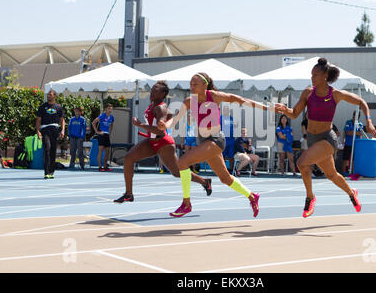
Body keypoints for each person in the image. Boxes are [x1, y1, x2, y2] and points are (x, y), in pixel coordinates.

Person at [275, 58, 376, 218]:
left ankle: (310, 197)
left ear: (325, 76)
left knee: (302, 163)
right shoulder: (308, 93)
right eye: (311, 75)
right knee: (331, 175)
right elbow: (294, 114)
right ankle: (352, 193)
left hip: (327, 139)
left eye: (315, 75)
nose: (312, 78)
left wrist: (369, 123)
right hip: (312, 139)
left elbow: (361, 102)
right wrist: (284, 110)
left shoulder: (336, 94)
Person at [158, 72, 266, 218]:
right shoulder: (190, 101)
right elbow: (175, 119)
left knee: (183, 162)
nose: (191, 87)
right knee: (225, 178)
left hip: (216, 140)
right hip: (204, 141)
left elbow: (239, 99)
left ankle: (186, 204)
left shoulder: (215, 96)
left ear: (204, 85)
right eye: (190, 84)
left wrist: (264, 107)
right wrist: (165, 125)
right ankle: (252, 196)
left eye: (195, 84)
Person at [114, 81, 212, 203]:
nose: (152, 92)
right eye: (152, 89)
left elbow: (159, 131)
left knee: (177, 173)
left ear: (163, 94)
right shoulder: (153, 105)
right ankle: (129, 194)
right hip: (150, 142)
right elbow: (168, 116)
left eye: (155, 90)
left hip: (164, 144)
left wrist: (140, 124)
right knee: (128, 158)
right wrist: (167, 120)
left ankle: (205, 182)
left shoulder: (160, 107)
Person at [36, 89, 65, 179]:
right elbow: (38, 120)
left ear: (54, 96)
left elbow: (62, 120)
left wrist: (63, 130)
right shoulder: (42, 107)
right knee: (47, 149)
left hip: (55, 131)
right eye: (48, 94)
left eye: (50, 94)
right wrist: (38, 130)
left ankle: (51, 172)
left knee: (53, 151)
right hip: (45, 130)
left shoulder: (58, 107)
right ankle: (46, 172)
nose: (48, 96)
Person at [92, 104, 114, 172]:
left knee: (107, 151)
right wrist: (97, 131)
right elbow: (93, 123)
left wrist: (109, 132)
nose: (110, 110)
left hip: (107, 135)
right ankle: (99, 167)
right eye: (108, 108)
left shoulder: (112, 117)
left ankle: (105, 166)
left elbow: (112, 125)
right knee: (101, 150)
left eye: (111, 108)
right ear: (105, 109)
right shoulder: (102, 115)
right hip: (101, 134)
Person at [341, 111, 363, 176]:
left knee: (354, 159)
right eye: (354, 115)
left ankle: (353, 172)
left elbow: (361, 133)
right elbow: (347, 132)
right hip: (348, 143)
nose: (354, 117)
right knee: (346, 158)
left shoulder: (360, 124)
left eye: (356, 116)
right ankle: (344, 172)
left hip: (356, 144)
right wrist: (356, 132)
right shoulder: (348, 122)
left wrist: (352, 132)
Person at [220, 105, 236, 173]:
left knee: (231, 156)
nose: (226, 111)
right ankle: (222, 170)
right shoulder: (220, 118)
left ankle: (231, 169)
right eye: (225, 109)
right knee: (222, 156)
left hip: (231, 140)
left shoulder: (231, 118)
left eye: (227, 109)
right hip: (223, 140)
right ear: (223, 111)